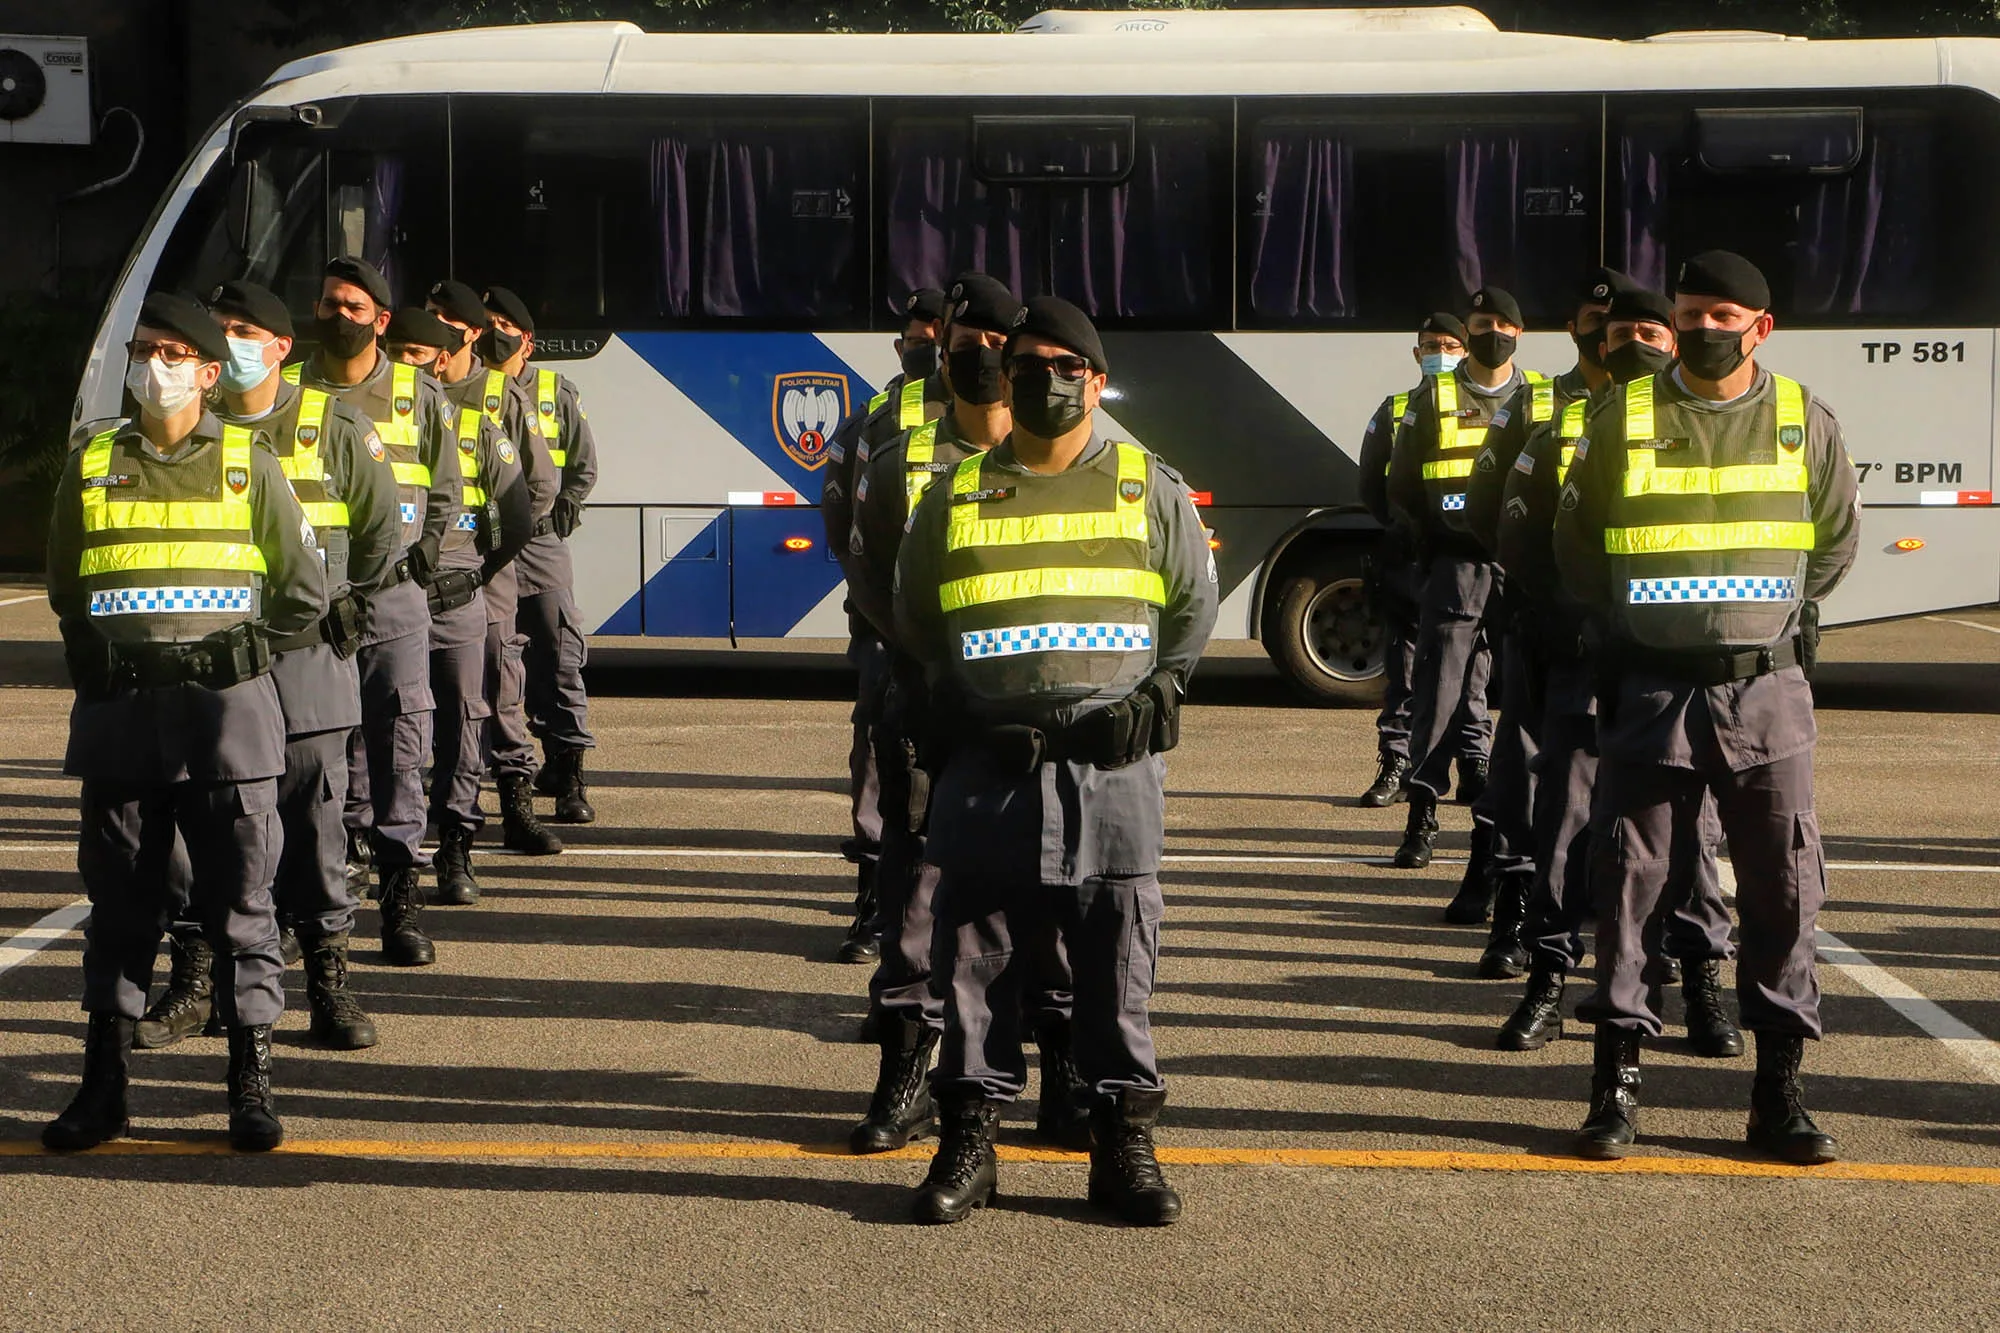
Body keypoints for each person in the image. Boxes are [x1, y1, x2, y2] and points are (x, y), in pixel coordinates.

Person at [894, 296, 1218, 1226]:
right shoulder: (953, 494)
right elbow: (919, 619)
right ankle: (970, 1143)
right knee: (973, 958)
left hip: (1111, 775)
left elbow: (1191, 612)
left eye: (1062, 365)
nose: (1040, 378)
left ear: (1097, 379)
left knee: (1120, 961)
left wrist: (1156, 701)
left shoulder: (1146, 486)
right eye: (1026, 364)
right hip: (989, 770)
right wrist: (953, 703)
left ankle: (1122, 1148)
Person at [1553, 251, 1860, 1163]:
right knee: (1631, 886)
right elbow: (1574, 543)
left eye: (1721, 315)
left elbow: (1836, 544)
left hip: (1766, 689)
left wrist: (1767, 624)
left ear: (1761, 328)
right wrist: (1621, 630)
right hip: (1651, 686)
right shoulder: (1622, 416)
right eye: (1688, 313)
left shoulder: (1807, 420)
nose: (1700, 330)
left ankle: (1778, 1096)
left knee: (1782, 888)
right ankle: (1615, 1089)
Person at [42, 292, 328, 1151]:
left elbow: (305, 591)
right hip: (125, 721)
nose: (154, 366)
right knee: (120, 908)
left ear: (209, 371)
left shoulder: (251, 460)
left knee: (241, 903)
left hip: (225, 723)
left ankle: (250, 1079)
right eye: (144, 350)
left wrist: (238, 655)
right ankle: (104, 1086)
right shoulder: (92, 462)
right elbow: (67, 588)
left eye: (174, 352)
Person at [845, 275, 1086, 1157]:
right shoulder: (897, 447)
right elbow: (866, 565)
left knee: (1051, 892)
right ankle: (907, 1068)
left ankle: (1060, 1070)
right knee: (915, 892)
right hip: (930, 703)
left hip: (1030, 716)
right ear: (941, 349)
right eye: (966, 344)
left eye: (1000, 347)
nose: (983, 360)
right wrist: (925, 666)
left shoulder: (1060, 456)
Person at [1492, 284, 1741, 1055]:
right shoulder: (1559, 423)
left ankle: (1700, 984)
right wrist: (1567, 622)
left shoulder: (1708, 429)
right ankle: (1547, 979)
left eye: (1651, 330)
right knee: (1565, 828)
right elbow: (1514, 533)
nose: (1637, 341)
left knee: (1692, 843)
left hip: (1680, 672)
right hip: (1583, 662)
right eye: (1622, 329)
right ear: (1600, 343)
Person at [289, 257, 460, 967]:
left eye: (355, 306)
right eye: (330, 302)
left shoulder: (419, 395)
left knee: (399, 746)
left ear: (382, 319)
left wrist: (422, 559)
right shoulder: (292, 391)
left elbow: (446, 486)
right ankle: (318, 908)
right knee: (317, 758)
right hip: (315, 608)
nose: (338, 316)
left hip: (392, 599)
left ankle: (399, 899)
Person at [1452, 270, 1624, 967]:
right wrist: (1535, 595)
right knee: (1525, 771)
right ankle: (1515, 910)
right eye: (1597, 322)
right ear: (1577, 330)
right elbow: (1490, 503)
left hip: (1639, 633)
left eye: (1639, 330)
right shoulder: (1534, 405)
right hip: (1547, 628)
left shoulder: (1670, 410)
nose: (1612, 338)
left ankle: (1634, 923)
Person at [1386, 286, 1543, 872]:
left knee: (1526, 702)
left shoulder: (1542, 400)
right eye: (1483, 322)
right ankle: (1422, 814)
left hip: (1519, 570)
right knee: (1439, 696)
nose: (1493, 332)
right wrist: (1428, 550)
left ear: (1520, 333)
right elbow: (1401, 488)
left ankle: (1511, 830)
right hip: (1456, 566)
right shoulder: (1432, 399)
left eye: (1504, 323)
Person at [392, 296, 534, 908]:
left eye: (415, 354)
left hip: (454, 601)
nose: (404, 365)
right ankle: (383, 853)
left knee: (461, 723)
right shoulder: (361, 425)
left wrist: (475, 573)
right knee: (390, 725)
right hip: (390, 604)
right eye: (394, 353)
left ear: (445, 358)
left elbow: (519, 516)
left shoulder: (474, 423)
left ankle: (455, 845)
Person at [822, 287, 947, 963]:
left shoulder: (994, 421)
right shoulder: (872, 420)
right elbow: (843, 529)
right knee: (878, 759)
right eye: (915, 339)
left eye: (938, 336)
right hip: (887, 632)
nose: (925, 349)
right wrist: (884, 617)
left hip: (970, 641)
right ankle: (875, 900)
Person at [1356, 312, 1490, 808]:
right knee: (1407, 668)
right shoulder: (1395, 409)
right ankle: (1396, 762)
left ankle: (1474, 762)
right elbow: (1371, 483)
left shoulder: (1490, 407)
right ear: (1416, 354)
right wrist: (1404, 531)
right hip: (1410, 561)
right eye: (1431, 344)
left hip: (1462, 560)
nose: (1440, 352)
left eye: (1450, 344)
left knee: (1472, 668)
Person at [479, 284, 594, 839]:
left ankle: (568, 775)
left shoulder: (553, 390)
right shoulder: (466, 387)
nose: (491, 331)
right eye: (486, 321)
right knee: (490, 662)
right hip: (485, 549)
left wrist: (565, 506)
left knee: (558, 654)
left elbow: (584, 464)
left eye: (503, 323)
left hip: (542, 547)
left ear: (526, 338)